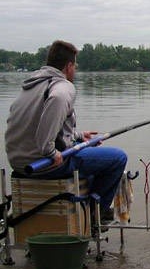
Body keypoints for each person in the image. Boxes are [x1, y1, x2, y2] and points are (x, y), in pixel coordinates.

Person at [5, 40, 127, 221]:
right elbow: (57, 101)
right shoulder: (62, 88)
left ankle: (85, 202)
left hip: (18, 162)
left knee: (87, 148)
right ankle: (95, 214)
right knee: (117, 158)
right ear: (69, 66)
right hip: (44, 164)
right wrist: (50, 151)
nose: (75, 70)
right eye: (75, 66)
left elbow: (40, 123)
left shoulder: (32, 85)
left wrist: (78, 136)